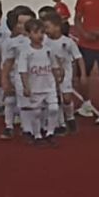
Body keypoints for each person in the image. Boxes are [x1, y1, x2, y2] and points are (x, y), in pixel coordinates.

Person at [9, 16, 61, 144]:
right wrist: (26, 86)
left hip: (49, 86)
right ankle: (37, 135)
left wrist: (58, 79)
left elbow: (55, 66)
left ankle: (50, 132)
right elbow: (23, 71)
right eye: (36, 32)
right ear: (28, 34)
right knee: (36, 112)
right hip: (35, 87)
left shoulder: (48, 50)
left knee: (54, 108)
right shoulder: (25, 52)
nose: (40, 35)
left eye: (42, 32)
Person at [0, 7, 37, 141]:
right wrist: (4, 79)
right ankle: (9, 126)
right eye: (20, 23)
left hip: (35, 77)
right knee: (10, 100)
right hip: (16, 76)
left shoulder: (41, 40)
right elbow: (6, 62)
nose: (23, 26)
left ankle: (33, 128)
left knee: (35, 104)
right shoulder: (11, 42)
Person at [41, 12, 80, 133]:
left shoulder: (68, 42)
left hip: (66, 74)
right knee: (55, 98)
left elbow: (78, 58)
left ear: (57, 27)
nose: (45, 30)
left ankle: (70, 117)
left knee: (66, 98)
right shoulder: (44, 42)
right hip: (50, 74)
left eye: (47, 27)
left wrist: (78, 74)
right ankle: (60, 123)